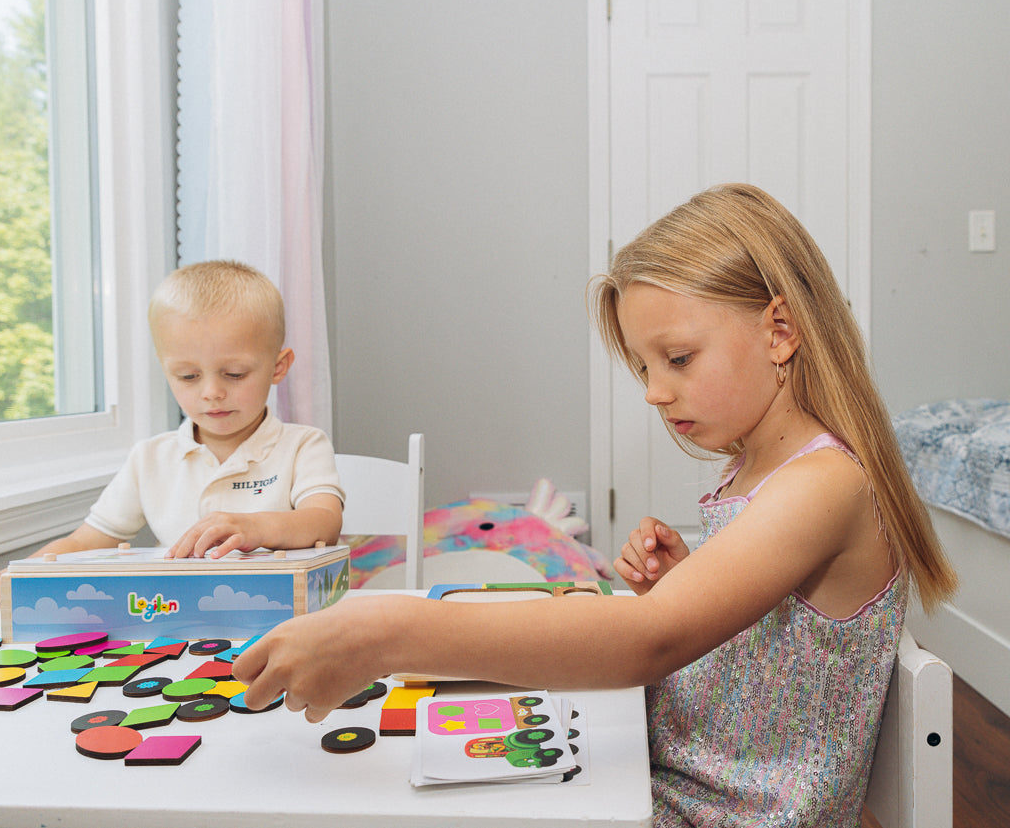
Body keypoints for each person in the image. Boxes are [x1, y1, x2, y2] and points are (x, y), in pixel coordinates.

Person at [230, 185, 956, 826]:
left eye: (677, 358)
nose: (653, 390)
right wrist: (686, 579)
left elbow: (650, 641)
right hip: (677, 782)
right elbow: (762, 652)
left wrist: (387, 628)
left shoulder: (823, 482)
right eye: (644, 366)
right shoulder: (758, 470)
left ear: (780, 330)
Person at [0, 260, 344, 624]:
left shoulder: (303, 444)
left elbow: (323, 521)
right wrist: (3, 580)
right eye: (187, 376)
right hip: (183, 633)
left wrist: (252, 526)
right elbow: (83, 543)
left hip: (290, 632)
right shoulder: (150, 458)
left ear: (278, 366)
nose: (211, 392)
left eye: (234, 373)